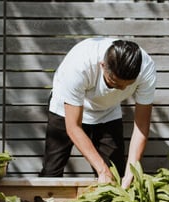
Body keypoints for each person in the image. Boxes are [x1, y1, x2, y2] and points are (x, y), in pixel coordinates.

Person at [39, 38, 156, 189]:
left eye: (127, 86)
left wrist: (131, 172)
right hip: (65, 109)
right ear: (103, 65)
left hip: (108, 110)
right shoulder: (79, 65)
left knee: (115, 176)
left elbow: (141, 126)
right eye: (114, 83)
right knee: (51, 173)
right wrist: (102, 170)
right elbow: (73, 127)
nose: (121, 89)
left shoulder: (146, 69)